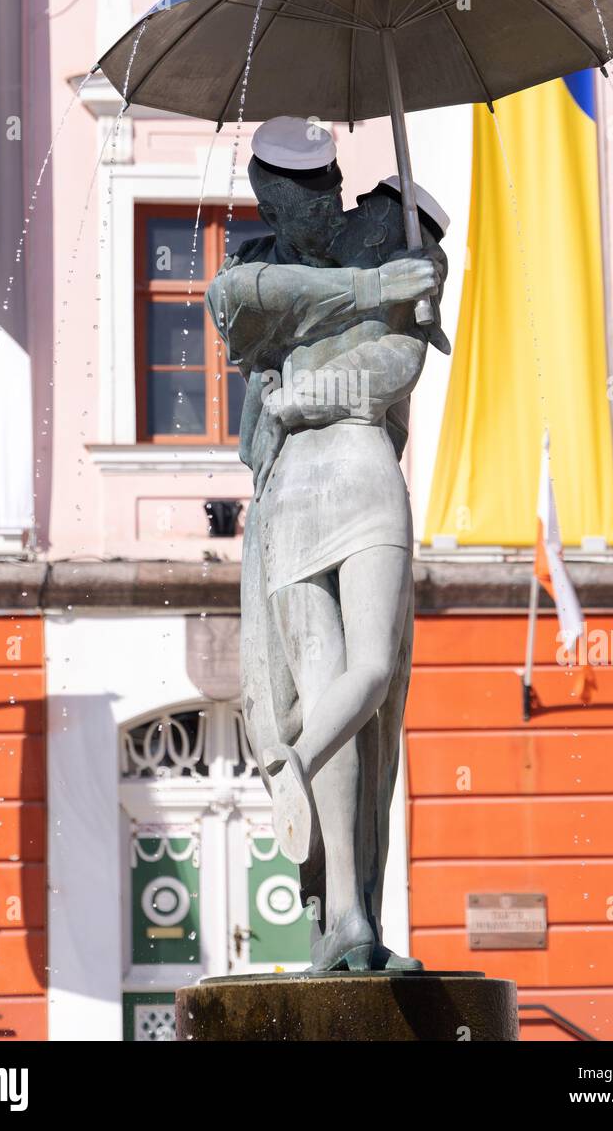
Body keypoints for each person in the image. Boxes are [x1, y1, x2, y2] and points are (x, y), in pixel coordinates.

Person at [206, 116, 449, 971]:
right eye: (317, 197)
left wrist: (303, 394)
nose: (342, 209)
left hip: (363, 474)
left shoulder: (414, 269)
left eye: (344, 195)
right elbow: (240, 308)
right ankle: (345, 914)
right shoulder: (255, 269)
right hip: (290, 501)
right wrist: (371, 282)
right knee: (323, 679)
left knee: (371, 680)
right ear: (277, 196)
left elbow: (394, 372)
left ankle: (293, 769)